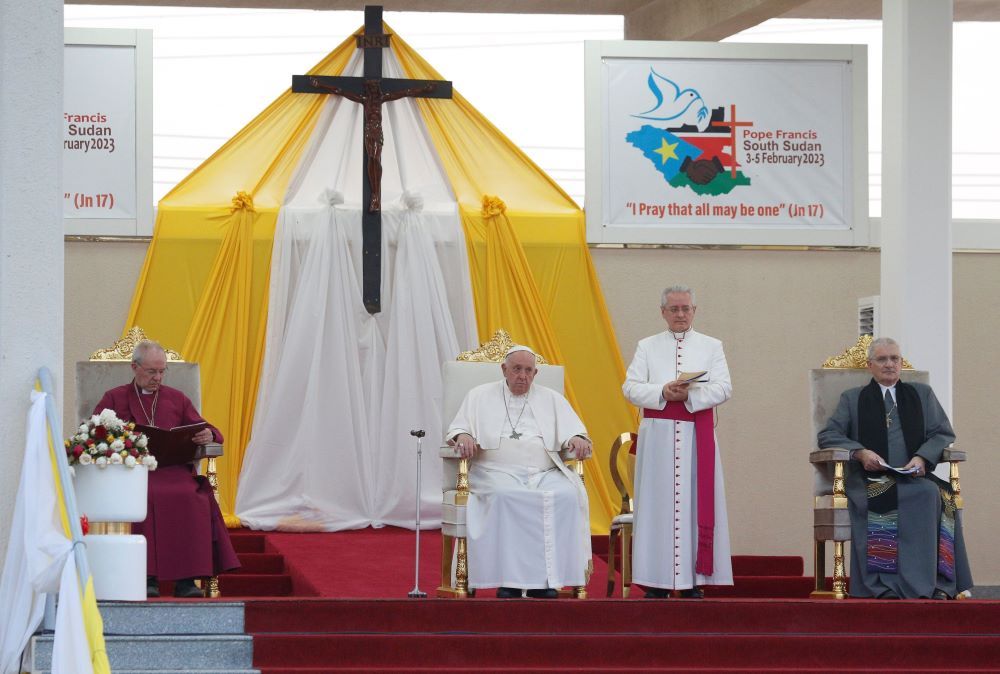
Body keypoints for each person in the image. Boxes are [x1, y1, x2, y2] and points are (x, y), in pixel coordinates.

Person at [817, 337, 972, 599]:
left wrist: (923, 458)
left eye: (894, 359)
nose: (890, 364)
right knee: (885, 496)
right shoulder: (852, 399)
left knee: (933, 494)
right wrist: (860, 452)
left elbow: (941, 433)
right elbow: (828, 435)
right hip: (869, 478)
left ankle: (936, 584)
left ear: (901, 363)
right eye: (882, 359)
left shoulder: (922, 395)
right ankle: (885, 586)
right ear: (870, 365)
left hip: (912, 477)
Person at [93, 339, 240, 598]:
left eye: (162, 372)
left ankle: (186, 580)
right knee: (145, 494)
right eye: (151, 371)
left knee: (190, 496)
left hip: (173, 470)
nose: (158, 378)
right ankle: (146, 577)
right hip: (132, 472)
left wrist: (208, 435)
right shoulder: (114, 397)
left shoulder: (177, 399)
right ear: (134, 367)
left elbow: (211, 430)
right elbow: (95, 432)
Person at [446, 346, 593, 598]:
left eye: (528, 371)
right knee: (506, 495)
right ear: (504, 370)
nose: (522, 376)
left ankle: (545, 582)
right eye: (516, 369)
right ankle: (509, 582)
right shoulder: (479, 395)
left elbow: (574, 431)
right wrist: (465, 435)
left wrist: (578, 438)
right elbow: (458, 429)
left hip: (544, 472)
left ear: (535, 373)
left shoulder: (552, 399)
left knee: (567, 495)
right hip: (494, 470)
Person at [622, 285, 733, 598]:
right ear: (663, 312)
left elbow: (725, 388)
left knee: (695, 506)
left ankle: (694, 580)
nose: (680, 314)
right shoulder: (647, 346)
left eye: (686, 308)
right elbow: (630, 388)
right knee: (657, 507)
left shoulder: (712, 346)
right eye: (674, 309)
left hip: (696, 438)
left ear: (694, 311)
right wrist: (662, 391)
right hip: (658, 439)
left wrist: (691, 394)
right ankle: (655, 581)